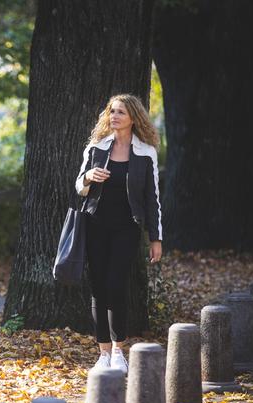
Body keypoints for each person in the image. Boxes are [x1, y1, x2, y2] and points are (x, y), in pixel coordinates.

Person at [74, 94, 163, 373]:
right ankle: (103, 353)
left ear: (133, 118)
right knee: (99, 287)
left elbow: (153, 199)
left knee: (115, 284)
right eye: (112, 111)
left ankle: (118, 351)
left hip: (127, 228)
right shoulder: (96, 148)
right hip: (95, 225)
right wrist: (88, 177)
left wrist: (155, 238)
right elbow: (79, 186)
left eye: (121, 112)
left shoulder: (146, 152)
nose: (114, 116)